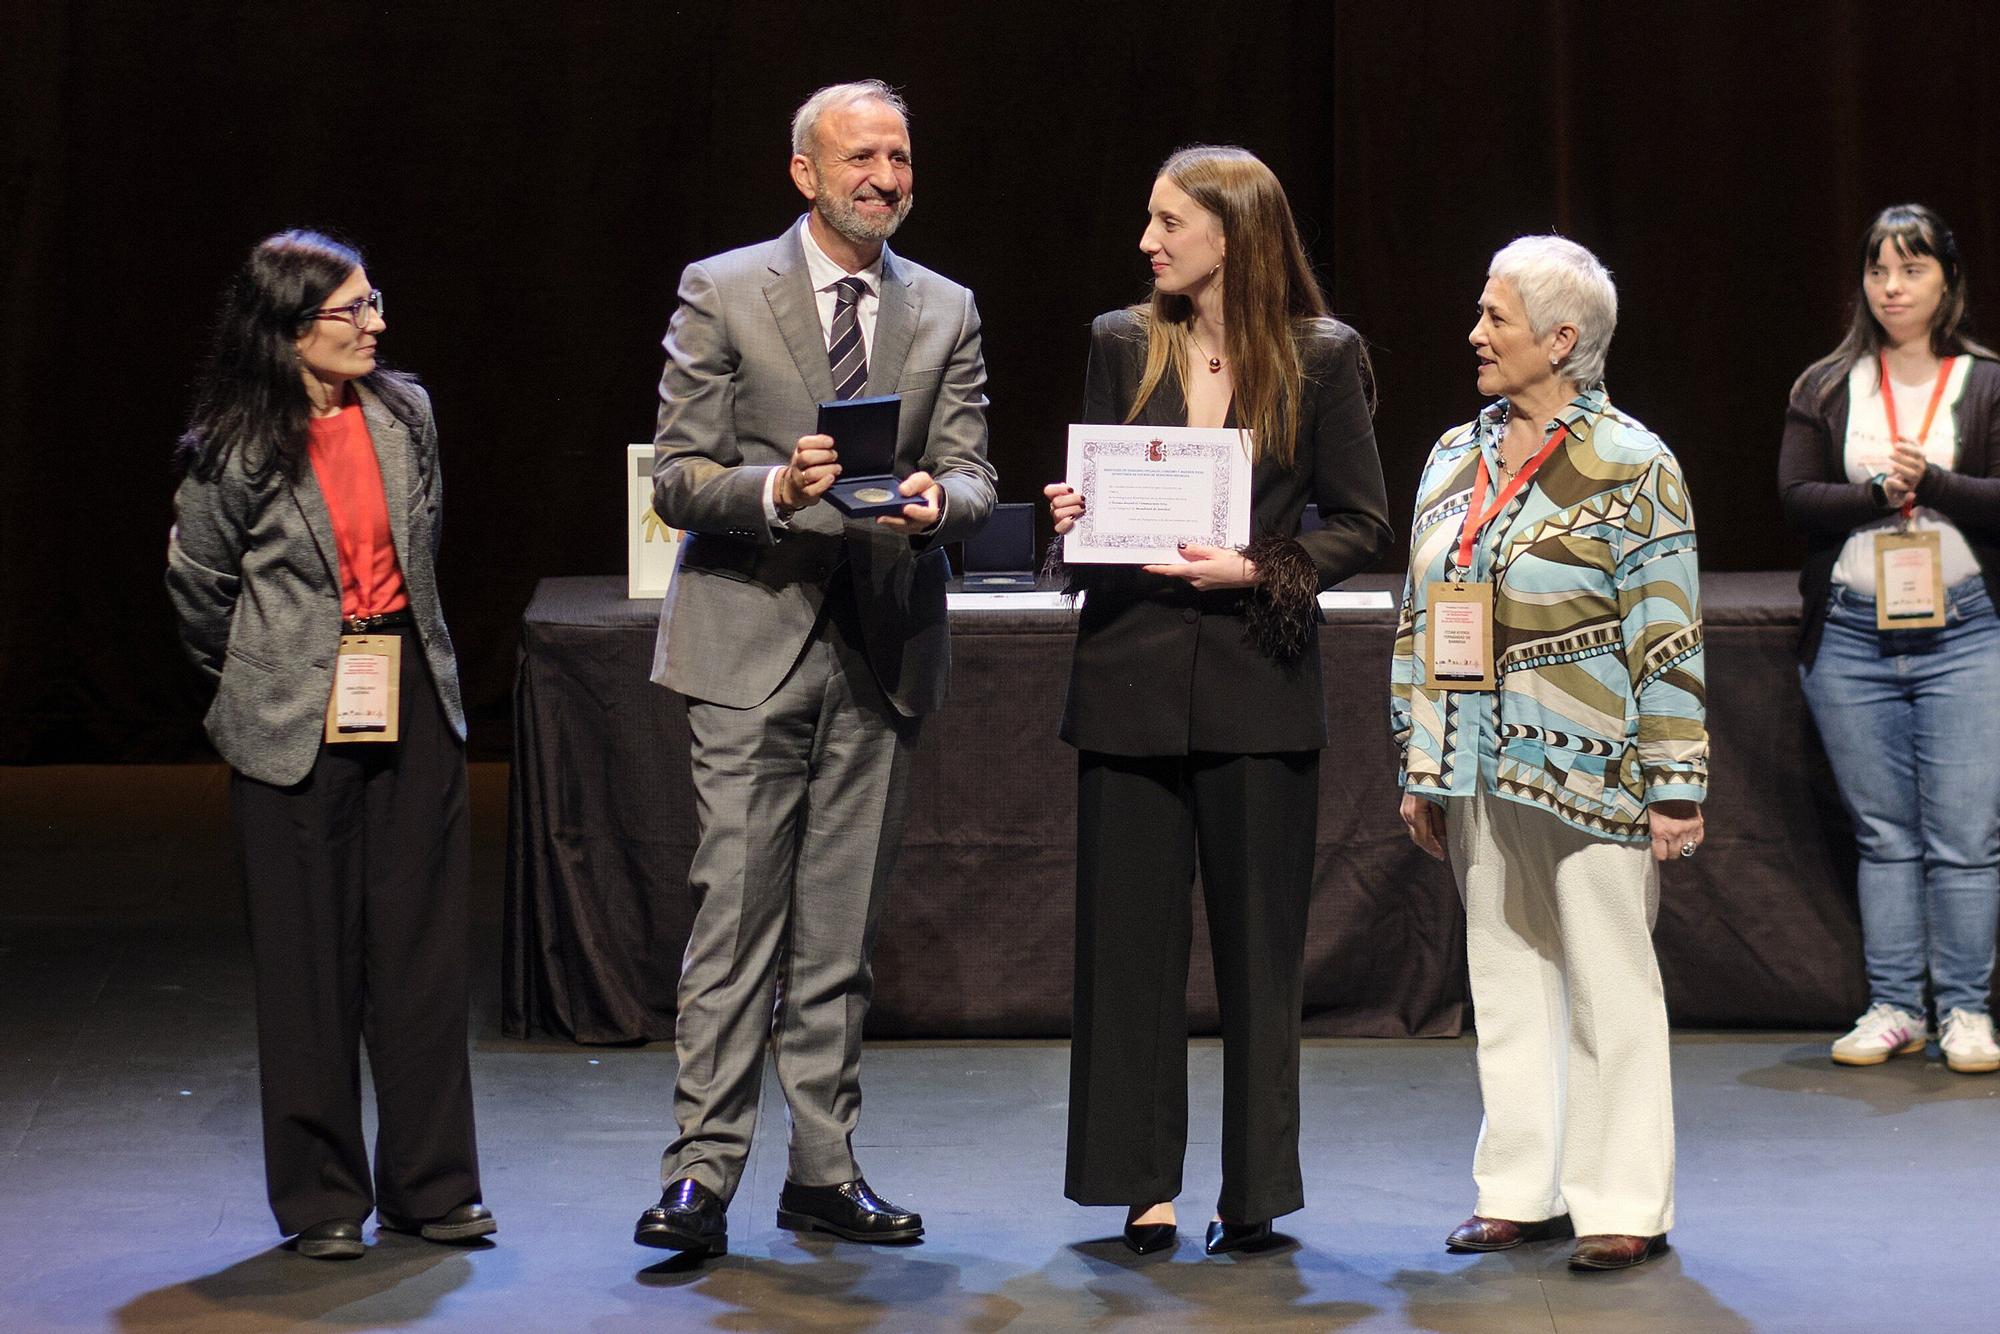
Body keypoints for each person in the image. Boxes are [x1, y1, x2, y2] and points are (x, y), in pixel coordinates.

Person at [634, 80, 995, 1259]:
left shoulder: (943, 307)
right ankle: (699, 1173)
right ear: (805, 173)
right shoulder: (724, 287)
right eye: (860, 157)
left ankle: (823, 1172)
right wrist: (773, 490)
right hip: (750, 641)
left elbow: (975, 472)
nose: (885, 176)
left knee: (837, 936)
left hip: (880, 650)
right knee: (734, 920)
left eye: (899, 154)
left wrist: (948, 502)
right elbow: (679, 474)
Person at [1045, 145, 1392, 1257]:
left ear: (1231, 235)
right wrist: (1072, 513)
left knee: (1257, 950)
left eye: (1166, 223)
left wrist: (1260, 567)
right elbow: (1092, 515)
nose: (1146, 242)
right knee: (1126, 950)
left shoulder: (1322, 357)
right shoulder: (1117, 340)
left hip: (1255, 682)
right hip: (1128, 679)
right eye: (1148, 222)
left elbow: (1361, 523)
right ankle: (1139, 1185)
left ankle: (1253, 1193)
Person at [165, 231, 492, 1260]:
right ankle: (320, 1197)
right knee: (308, 962)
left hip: (409, 695)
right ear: (287, 328)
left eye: (373, 303)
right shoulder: (233, 441)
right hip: (289, 714)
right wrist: (263, 681)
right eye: (351, 310)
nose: (374, 324)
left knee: (420, 957)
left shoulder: (405, 412)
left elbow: (421, 545)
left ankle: (431, 1186)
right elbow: (199, 587)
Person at [1390, 236, 1706, 1272]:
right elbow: (1415, 616)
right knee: (1506, 968)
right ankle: (1519, 1184)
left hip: (1593, 765)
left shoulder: (1632, 461)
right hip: (1475, 761)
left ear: (1560, 340)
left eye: (1495, 318)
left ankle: (1620, 1195)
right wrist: (1416, 756)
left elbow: (1665, 631)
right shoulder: (1451, 452)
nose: (1474, 334)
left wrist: (1674, 780)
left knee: (1607, 980)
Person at [1778, 204, 2000, 1076]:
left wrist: (1934, 481)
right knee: (1884, 833)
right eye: (1879, 271)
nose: (1893, 287)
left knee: (1966, 836)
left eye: (1912, 270)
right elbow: (1795, 499)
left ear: (1946, 280)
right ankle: (1896, 1005)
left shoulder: (1984, 382)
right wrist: (1877, 495)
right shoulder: (1828, 384)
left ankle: (1969, 1010)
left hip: (1967, 629)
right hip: (1853, 635)